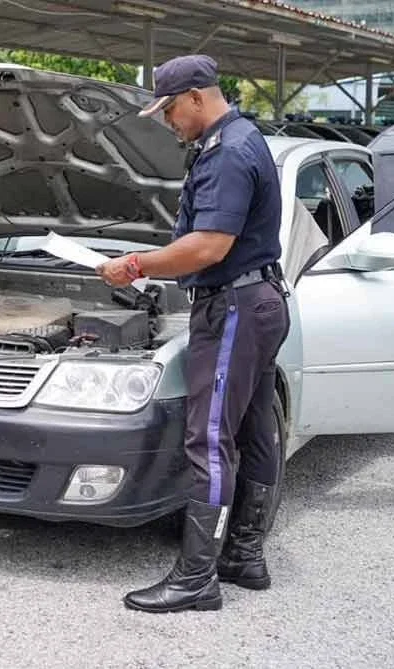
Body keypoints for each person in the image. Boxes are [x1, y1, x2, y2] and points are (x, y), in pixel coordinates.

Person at [95, 54, 291, 613]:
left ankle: (196, 579)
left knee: (208, 439)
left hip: (233, 307)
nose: (167, 121)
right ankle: (243, 557)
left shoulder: (227, 153)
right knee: (253, 430)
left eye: (170, 109)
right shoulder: (242, 137)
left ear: (199, 97)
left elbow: (208, 247)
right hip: (258, 301)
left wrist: (135, 265)